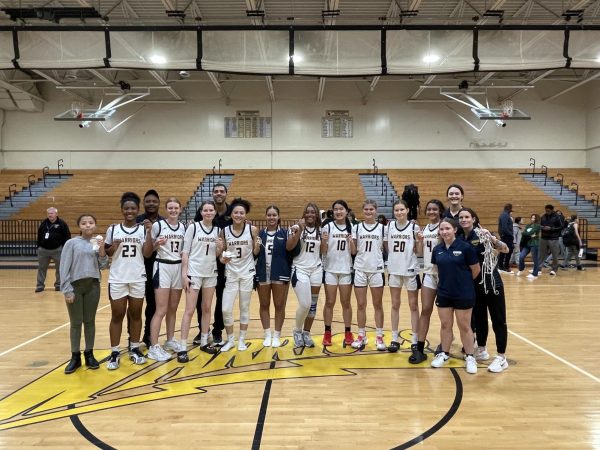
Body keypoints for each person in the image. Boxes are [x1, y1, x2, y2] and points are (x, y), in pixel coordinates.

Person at [459, 208, 510, 373]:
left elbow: (505, 249)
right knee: (479, 318)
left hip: (492, 283)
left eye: (467, 217)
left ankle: (501, 357)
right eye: (461, 217)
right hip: (474, 284)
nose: (464, 219)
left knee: (498, 320)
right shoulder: (460, 237)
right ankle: (481, 349)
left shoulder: (483, 234)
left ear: (473, 218)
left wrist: (493, 239)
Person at [429, 218, 481, 374]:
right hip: (444, 292)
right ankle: (444, 353)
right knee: (445, 325)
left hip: (463, 293)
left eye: (447, 228)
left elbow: (476, 269)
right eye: (442, 229)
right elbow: (436, 269)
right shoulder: (437, 249)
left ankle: (470, 356)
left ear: (455, 230)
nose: (444, 232)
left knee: (464, 326)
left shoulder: (466, 248)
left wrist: (463, 282)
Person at [60, 214, 108, 374]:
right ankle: (75, 356)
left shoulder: (97, 242)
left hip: (93, 285)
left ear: (95, 225)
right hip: (75, 286)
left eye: (91, 223)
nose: (88, 225)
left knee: (90, 321)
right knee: (76, 322)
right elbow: (64, 267)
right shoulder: (71, 243)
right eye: (84, 223)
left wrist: (102, 249)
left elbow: (103, 265)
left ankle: (89, 353)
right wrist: (67, 290)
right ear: (79, 226)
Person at [104, 192, 148, 370]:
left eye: (133, 208)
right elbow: (108, 252)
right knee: (117, 315)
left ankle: (135, 348)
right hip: (118, 277)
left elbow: (147, 253)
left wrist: (152, 234)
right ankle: (115, 351)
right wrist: (113, 246)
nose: (130, 211)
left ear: (138, 210)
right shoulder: (113, 229)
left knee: (136, 314)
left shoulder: (143, 229)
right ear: (122, 210)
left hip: (137, 277)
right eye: (126, 208)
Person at [178, 200, 224, 362]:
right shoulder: (193, 227)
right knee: (189, 310)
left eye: (211, 210)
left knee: (206, 309)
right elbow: (185, 252)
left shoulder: (218, 230)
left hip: (211, 273)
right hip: (194, 273)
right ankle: (182, 347)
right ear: (201, 212)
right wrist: (184, 275)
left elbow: (218, 255)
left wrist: (219, 247)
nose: (208, 212)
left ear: (215, 212)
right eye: (205, 210)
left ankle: (205, 341)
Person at [143, 197, 185, 361]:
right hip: (162, 266)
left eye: (176, 207)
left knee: (172, 309)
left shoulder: (183, 227)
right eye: (170, 208)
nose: (173, 210)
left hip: (178, 266)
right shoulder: (157, 226)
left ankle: (169, 340)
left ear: (180, 209)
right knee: (160, 309)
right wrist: (156, 245)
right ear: (166, 209)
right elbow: (147, 251)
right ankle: (154, 347)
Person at [193, 183, 232, 346]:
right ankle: (204, 330)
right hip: (205, 262)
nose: (218, 194)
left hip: (224, 262)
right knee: (201, 300)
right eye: (216, 191)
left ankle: (217, 330)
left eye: (221, 191)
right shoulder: (205, 211)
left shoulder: (232, 212)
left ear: (226, 193)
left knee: (221, 298)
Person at [219, 198, 260, 352]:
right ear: (231, 214)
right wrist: (222, 258)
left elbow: (256, 252)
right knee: (226, 309)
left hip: (247, 273)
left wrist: (257, 246)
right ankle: (230, 340)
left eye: (241, 213)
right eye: (236, 212)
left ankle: (242, 339)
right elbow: (221, 255)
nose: (238, 215)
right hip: (231, 272)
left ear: (245, 214)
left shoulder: (253, 230)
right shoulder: (224, 231)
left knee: (244, 307)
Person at [409, 199, 444, 364]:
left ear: (440, 211)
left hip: (445, 275)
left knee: (446, 314)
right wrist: (419, 241)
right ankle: (420, 349)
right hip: (429, 273)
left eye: (434, 209)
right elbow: (420, 253)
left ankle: (445, 346)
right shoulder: (425, 228)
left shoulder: (444, 226)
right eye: (429, 209)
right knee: (426, 310)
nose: (431, 212)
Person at [385, 199, 422, 352]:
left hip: (410, 270)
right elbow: (386, 246)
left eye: (402, 210)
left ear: (407, 210)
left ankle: (415, 338)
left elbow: (418, 251)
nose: (399, 212)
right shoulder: (389, 226)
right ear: (394, 212)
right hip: (394, 269)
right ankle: (394, 338)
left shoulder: (414, 227)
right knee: (395, 304)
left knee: (413, 305)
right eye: (396, 210)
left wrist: (419, 242)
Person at [287, 203, 323, 348]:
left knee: (312, 306)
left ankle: (306, 333)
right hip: (300, 269)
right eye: (307, 212)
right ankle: (297, 330)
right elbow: (289, 247)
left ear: (316, 215)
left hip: (316, 270)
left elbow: (324, 250)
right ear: (304, 214)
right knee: (305, 303)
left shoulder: (321, 230)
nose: (309, 215)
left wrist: (325, 241)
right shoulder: (296, 228)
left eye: (313, 212)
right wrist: (299, 230)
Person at [352, 200, 386, 350]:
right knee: (361, 304)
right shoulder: (356, 228)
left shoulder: (383, 228)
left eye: (371, 209)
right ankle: (361, 335)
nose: (368, 212)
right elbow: (353, 251)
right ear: (363, 211)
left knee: (377, 304)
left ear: (376, 211)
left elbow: (387, 249)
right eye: (366, 209)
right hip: (360, 268)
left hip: (377, 269)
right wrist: (349, 242)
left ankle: (379, 336)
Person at [321, 200, 355, 347]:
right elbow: (323, 251)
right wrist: (324, 241)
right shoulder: (327, 226)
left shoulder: (352, 227)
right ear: (333, 211)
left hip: (346, 269)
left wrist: (351, 242)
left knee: (346, 302)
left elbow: (354, 252)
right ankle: (327, 332)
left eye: (341, 209)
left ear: (346, 211)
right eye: (336, 209)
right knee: (329, 302)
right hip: (330, 269)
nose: (338, 211)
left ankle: (348, 332)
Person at [255, 205, 291, 348]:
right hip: (263, 273)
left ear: (278, 217)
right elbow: (255, 253)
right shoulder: (260, 234)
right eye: (269, 215)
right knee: (264, 305)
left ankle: (277, 335)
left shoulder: (285, 232)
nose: (271, 217)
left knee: (279, 305)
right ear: (265, 217)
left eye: (274, 215)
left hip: (280, 273)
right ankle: (267, 334)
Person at [136, 190, 163, 347]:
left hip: (158, 268)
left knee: (153, 305)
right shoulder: (137, 221)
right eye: (148, 201)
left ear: (159, 203)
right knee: (136, 305)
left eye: (154, 201)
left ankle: (148, 336)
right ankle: (132, 339)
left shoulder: (163, 222)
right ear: (143, 203)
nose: (151, 204)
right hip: (139, 267)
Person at [36, 207, 71, 293]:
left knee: (60, 268)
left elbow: (67, 236)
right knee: (41, 268)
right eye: (48, 213)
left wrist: (64, 248)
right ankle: (40, 286)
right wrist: (39, 247)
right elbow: (39, 235)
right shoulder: (44, 223)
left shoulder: (62, 223)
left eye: (52, 213)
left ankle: (58, 285)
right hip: (43, 250)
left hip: (58, 250)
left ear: (56, 214)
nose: (50, 215)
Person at [538, 204, 564, 276]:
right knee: (542, 255)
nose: (547, 211)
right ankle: (539, 268)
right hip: (544, 238)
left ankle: (554, 269)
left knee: (554, 255)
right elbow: (538, 225)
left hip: (553, 238)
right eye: (546, 210)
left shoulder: (557, 217)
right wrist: (542, 227)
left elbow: (561, 226)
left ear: (552, 210)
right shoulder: (543, 217)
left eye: (548, 210)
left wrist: (551, 228)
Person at [516, 214, 541, 279]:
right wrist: (528, 234)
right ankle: (521, 268)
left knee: (535, 259)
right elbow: (524, 233)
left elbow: (528, 233)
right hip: (527, 244)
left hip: (534, 244)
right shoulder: (528, 225)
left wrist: (527, 233)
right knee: (521, 256)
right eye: (532, 218)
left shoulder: (537, 226)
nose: (532, 219)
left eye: (534, 218)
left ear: (536, 219)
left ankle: (535, 274)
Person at [497, 203, 514, 273]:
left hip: (505, 236)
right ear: (509, 209)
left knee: (504, 251)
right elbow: (504, 228)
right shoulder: (505, 215)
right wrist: (511, 235)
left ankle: (502, 266)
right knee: (507, 250)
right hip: (507, 236)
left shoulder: (504, 215)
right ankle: (504, 266)